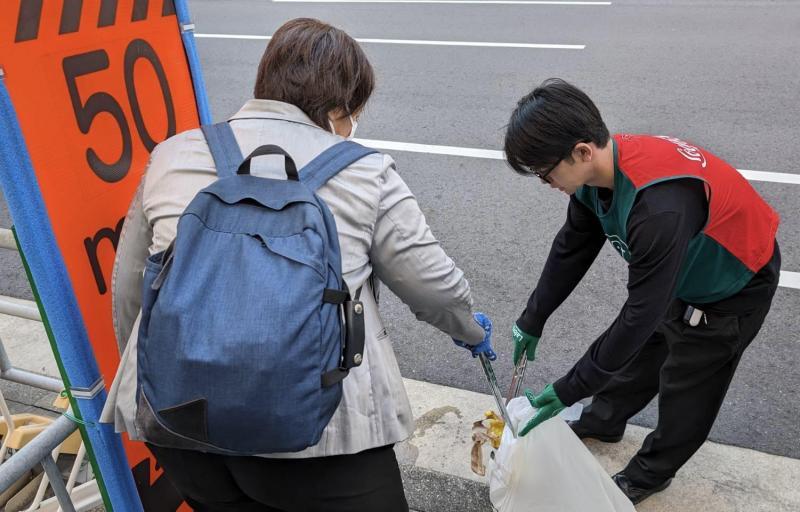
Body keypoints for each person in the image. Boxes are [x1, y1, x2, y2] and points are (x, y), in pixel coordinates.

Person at [100, 18, 494, 511]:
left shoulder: (173, 154)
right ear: (338, 109)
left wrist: (153, 376)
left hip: (184, 422)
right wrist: (470, 331)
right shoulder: (366, 172)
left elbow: (132, 290)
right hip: (325, 439)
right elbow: (434, 289)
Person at [503, 78, 780, 504]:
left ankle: (652, 471)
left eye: (546, 172)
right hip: (679, 268)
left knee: (689, 379)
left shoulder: (658, 206)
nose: (546, 182)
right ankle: (605, 420)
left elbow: (638, 314)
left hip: (733, 280)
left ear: (581, 151)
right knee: (647, 349)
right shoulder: (598, 175)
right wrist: (532, 318)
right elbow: (571, 249)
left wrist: (570, 387)